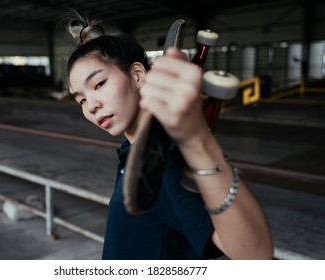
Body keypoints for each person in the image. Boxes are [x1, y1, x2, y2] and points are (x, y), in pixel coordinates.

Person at [62, 9, 274, 260]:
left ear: (137, 75)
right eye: (81, 100)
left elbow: (254, 255)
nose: (91, 105)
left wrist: (198, 142)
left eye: (99, 84)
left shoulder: (163, 160)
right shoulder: (134, 153)